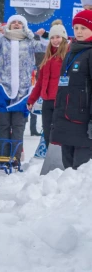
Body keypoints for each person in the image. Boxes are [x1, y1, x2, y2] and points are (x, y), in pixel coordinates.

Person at [0, 15, 47, 165]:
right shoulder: (2, 39)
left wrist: (42, 35)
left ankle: (15, 159)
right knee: (3, 126)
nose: (16, 24)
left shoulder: (30, 41)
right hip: (2, 91)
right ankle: (3, 158)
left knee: (18, 126)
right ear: (9, 25)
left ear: (24, 26)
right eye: (13, 22)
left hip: (22, 92)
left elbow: (47, 46)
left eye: (19, 23)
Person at [51, 11, 92, 169]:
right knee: (68, 170)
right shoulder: (71, 52)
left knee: (81, 171)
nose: (79, 31)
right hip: (66, 119)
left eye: (84, 27)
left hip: (83, 122)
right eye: (76, 28)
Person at [27, 22, 69, 148]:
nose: (55, 40)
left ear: (64, 38)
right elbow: (40, 82)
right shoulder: (48, 57)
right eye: (52, 37)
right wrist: (32, 99)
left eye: (58, 37)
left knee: (59, 133)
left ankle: (62, 161)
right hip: (47, 102)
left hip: (62, 101)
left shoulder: (68, 55)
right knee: (47, 134)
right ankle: (51, 161)